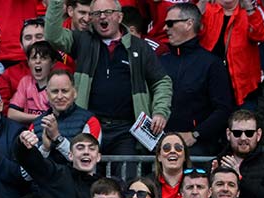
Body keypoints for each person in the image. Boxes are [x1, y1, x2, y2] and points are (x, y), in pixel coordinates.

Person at [44, 0, 172, 161]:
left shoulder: (139, 47)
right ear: (91, 18)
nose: (102, 17)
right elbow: (52, 36)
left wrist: (160, 111)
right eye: (97, 13)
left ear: (120, 17)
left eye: (108, 12)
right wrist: (57, 2)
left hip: (126, 130)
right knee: (87, 172)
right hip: (89, 125)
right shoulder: (82, 41)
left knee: (125, 174)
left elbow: (162, 82)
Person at [158, 2, 234, 156]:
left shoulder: (211, 64)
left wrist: (196, 134)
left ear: (189, 24)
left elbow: (223, 109)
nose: (165, 28)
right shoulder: (160, 61)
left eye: (170, 23)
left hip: (198, 147)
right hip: (159, 144)